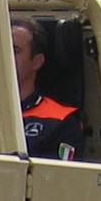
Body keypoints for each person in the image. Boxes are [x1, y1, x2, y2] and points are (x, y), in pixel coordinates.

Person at [12, 16, 86, 159]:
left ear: (37, 62)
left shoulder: (62, 120)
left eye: (15, 51)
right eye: (0, 50)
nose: (4, 57)